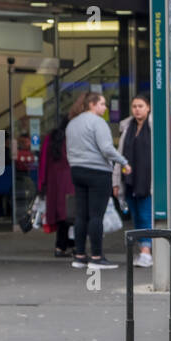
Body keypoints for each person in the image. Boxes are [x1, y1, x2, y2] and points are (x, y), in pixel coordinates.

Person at [66, 91, 129, 270]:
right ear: (92, 104)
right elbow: (106, 148)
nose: (105, 107)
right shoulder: (98, 122)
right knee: (96, 216)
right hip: (97, 172)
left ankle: (79, 255)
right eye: (102, 104)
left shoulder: (72, 123)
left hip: (77, 170)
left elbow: (69, 149)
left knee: (81, 214)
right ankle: (96, 256)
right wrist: (124, 162)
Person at [119, 95, 154, 268]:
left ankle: (146, 252)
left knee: (145, 214)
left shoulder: (154, 126)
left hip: (148, 181)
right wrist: (116, 181)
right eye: (134, 106)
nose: (137, 109)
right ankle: (143, 249)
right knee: (136, 216)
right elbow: (120, 154)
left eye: (140, 106)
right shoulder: (127, 127)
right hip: (130, 180)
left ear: (148, 107)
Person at [38, 117, 74, 257]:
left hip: (54, 183)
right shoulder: (73, 139)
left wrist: (42, 183)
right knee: (72, 214)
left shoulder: (50, 138)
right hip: (71, 180)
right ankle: (71, 245)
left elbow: (43, 162)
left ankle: (60, 246)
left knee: (62, 216)